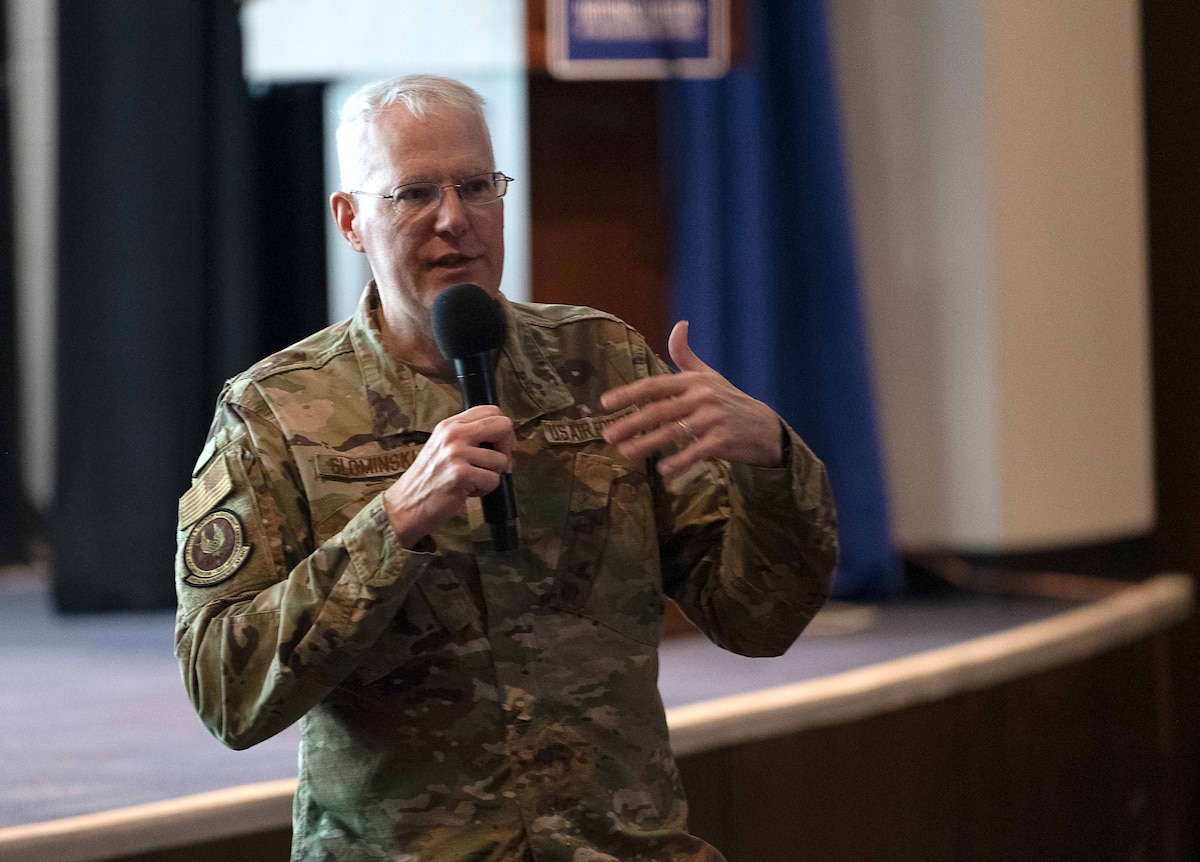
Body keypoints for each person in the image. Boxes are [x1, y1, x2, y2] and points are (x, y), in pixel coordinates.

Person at [174, 74, 837, 862]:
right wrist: (396, 521)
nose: (454, 219)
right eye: (414, 193)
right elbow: (226, 693)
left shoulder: (604, 363)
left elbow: (757, 621)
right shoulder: (276, 412)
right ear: (352, 221)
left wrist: (772, 463)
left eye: (477, 186)